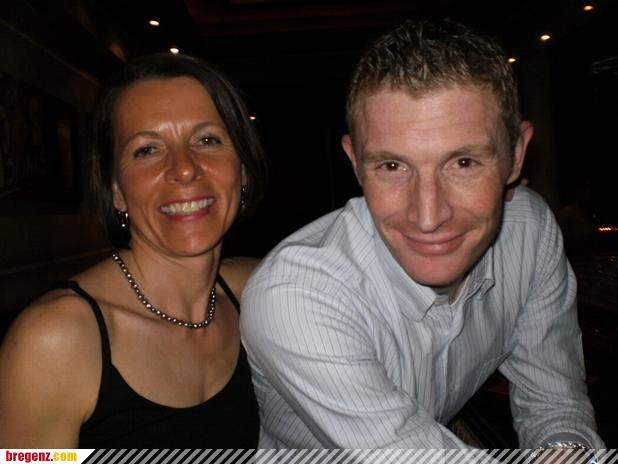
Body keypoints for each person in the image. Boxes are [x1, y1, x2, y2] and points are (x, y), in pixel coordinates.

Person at [240, 19, 604, 451]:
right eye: (392, 166)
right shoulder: (298, 298)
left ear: (517, 154)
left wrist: (566, 452)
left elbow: (554, 403)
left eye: (464, 163)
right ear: (355, 163)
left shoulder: (528, 232)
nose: (428, 217)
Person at [0, 53, 267, 448]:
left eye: (207, 140)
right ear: (116, 191)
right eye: (147, 150)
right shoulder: (55, 340)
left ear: (242, 171)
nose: (184, 168)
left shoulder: (261, 292)